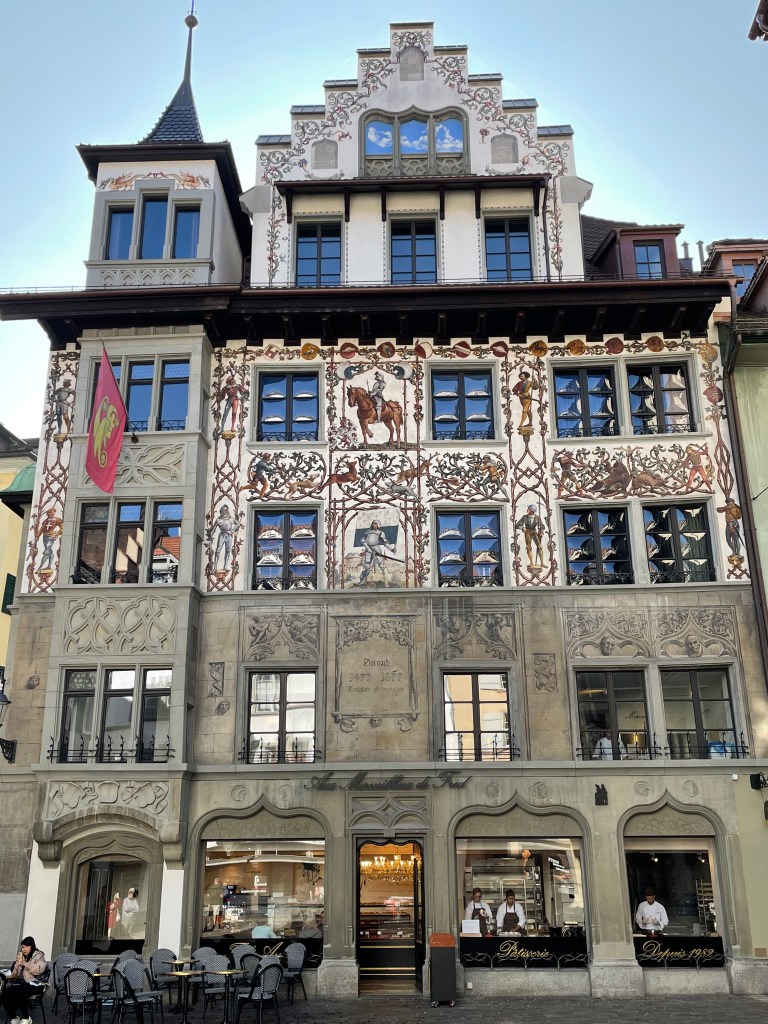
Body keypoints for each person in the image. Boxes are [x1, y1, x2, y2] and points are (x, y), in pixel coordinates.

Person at [1, 936, 48, 1024]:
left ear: (32, 946)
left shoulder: (39, 956)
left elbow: (38, 970)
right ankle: (14, 1017)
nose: (24, 949)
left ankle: (26, 1018)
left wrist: (25, 963)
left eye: (27, 947)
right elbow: (13, 978)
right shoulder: (21, 957)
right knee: (4, 994)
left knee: (20, 993)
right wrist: (16, 968)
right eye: (23, 947)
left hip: (35, 983)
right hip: (20, 984)